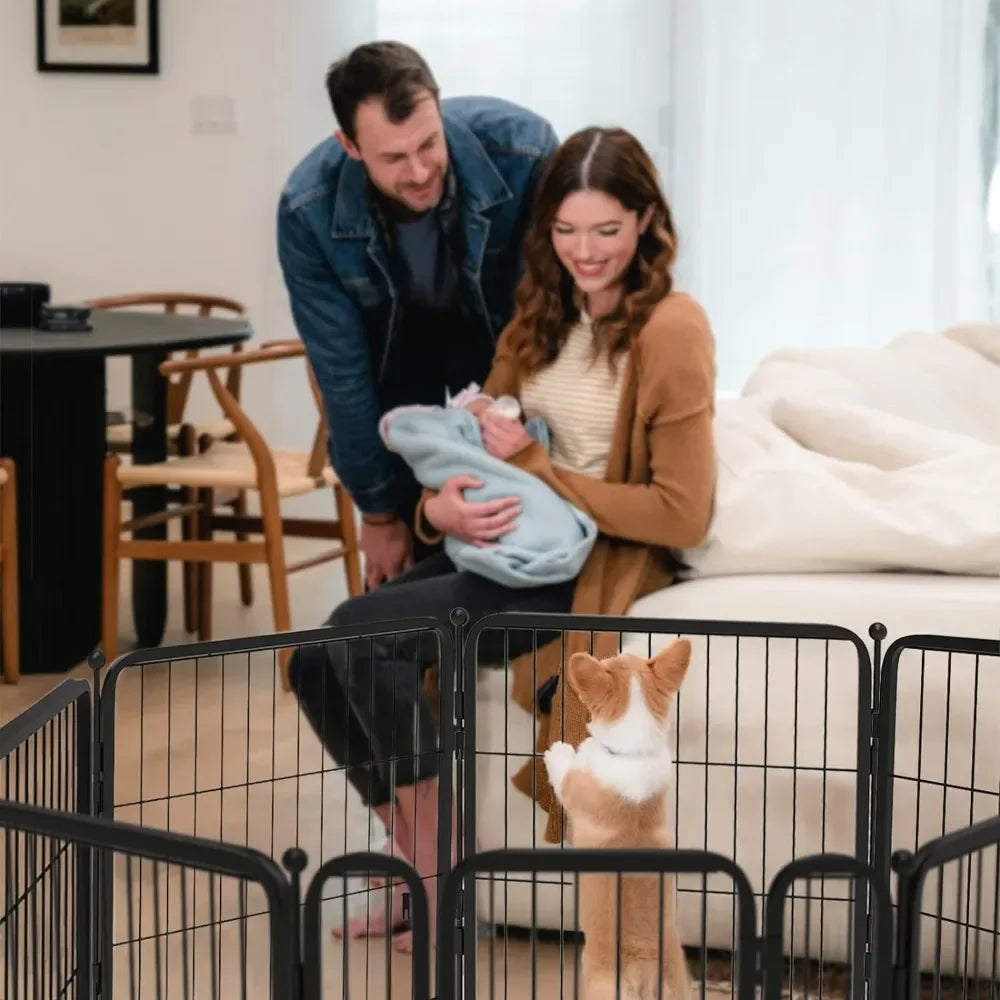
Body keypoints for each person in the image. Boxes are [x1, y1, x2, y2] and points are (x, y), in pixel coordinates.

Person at [288, 125, 718, 950]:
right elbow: (469, 441)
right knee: (313, 654)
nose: (584, 253)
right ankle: (416, 858)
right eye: (565, 232)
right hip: (500, 549)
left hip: (585, 568)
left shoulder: (672, 328)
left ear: (646, 222)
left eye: (606, 230)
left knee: (358, 637)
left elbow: (680, 513)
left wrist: (540, 471)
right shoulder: (538, 319)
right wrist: (434, 512)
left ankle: (443, 876)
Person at [277, 41, 559, 589]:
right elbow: (343, 375)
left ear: (438, 105)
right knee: (405, 573)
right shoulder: (306, 209)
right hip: (396, 374)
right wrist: (379, 515)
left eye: (429, 143)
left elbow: (556, 308)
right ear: (350, 145)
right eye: (393, 158)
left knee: (508, 538)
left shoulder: (523, 151)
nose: (420, 170)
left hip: (504, 357)